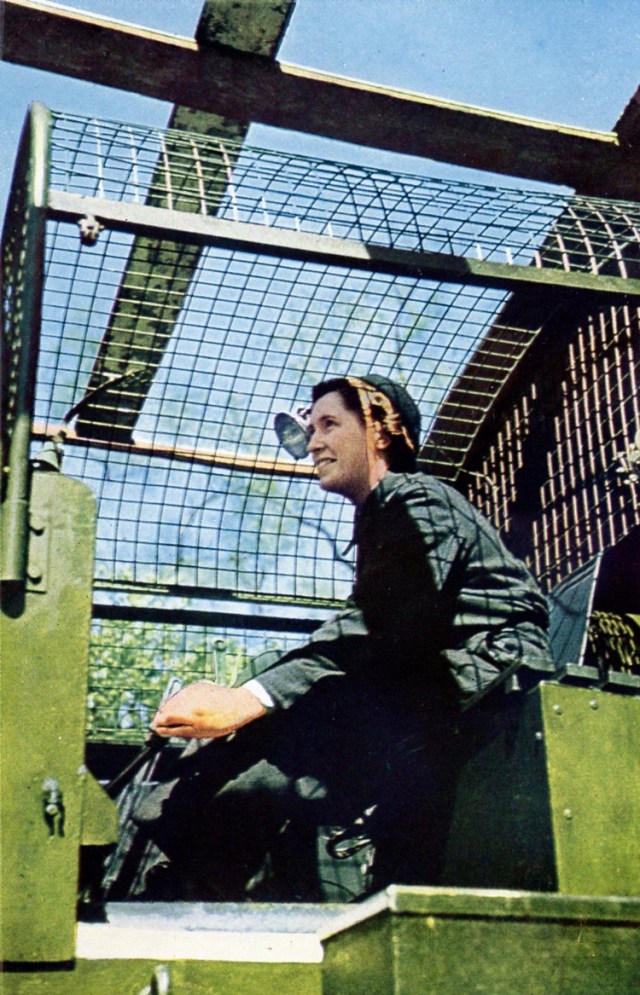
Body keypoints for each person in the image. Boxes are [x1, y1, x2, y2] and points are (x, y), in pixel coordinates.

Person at [133, 373, 551, 901]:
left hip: (490, 681)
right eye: (311, 430)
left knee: (289, 727)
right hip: (444, 683)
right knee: (279, 716)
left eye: (329, 424)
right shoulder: (384, 515)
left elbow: (376, 622)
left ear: (381, 431)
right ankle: (197, 870)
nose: (313, 443)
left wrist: (248, 699)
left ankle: (195, 883)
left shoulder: (420, 498)